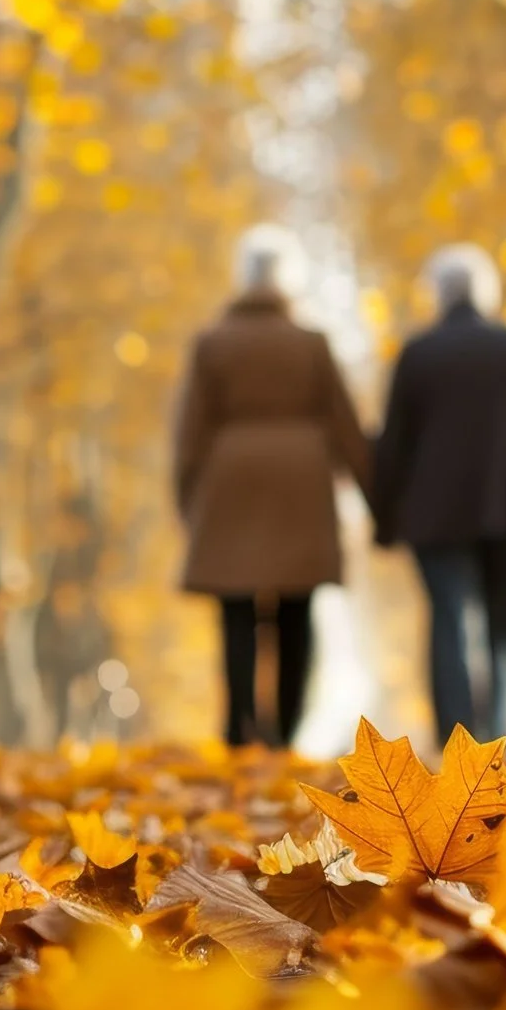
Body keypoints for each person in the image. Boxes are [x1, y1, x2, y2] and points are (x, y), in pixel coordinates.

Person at [174, 225, 371, 748]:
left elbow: (189, 432)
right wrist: (379, 499)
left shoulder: (212, 344)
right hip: (301, 487)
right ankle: (285, 731)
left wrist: (187, 500)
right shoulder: (312, 344)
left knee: (235, 609)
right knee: (297, 611)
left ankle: (239, 727)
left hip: (230, 485)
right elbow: (347, 427)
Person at [371, 244, 506, 742]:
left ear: (437, 295)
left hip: (433, 515)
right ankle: (499, 736)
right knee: (505, 622)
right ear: (487, 292)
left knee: (449, 622)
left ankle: (456, 741)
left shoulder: (417, 355)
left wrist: (383, 517)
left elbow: (393, 442)